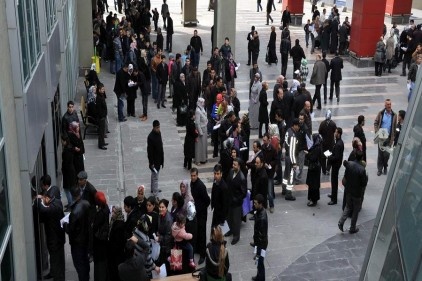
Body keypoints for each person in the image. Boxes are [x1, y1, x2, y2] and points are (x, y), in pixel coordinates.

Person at [34, 188, 66, 281]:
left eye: (45, 199)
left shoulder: (53, 208)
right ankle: (56, 274)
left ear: (48, 198)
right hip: (58, 239)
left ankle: (58, 278)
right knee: (57, 260)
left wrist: (38, 200)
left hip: (55, 241)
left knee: (56, 262)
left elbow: (42, 209)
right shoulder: (57, 202)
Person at [64, 186, 91, 281]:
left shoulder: (74, 212)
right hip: (85, 239)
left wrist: (65, 225)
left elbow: (71, 230)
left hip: (77, 242)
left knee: (79, 265)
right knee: (85, 262)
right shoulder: (86, 204)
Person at [338, 152, 368, 234]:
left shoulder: (349, 165)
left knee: (348, 206)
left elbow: (346, 176)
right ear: (361, 158)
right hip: (357, 193)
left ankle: (341, 222)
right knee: (355, 210)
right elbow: (364, 183)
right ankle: (352, 227)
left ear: (355, 156)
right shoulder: (362, 170)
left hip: (348, 190)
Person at [190, 168, 210, 265]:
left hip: (201, 213)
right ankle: (198, 249)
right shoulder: (192, 183)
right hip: (196, 212)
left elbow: (207, 200)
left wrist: (201, 208)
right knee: (197, 231)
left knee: (202, 233)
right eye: (192, 176)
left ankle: (203, 255)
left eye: (194, 176)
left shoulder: (201, 186)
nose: (193, 177)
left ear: (197, 175)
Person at [224, 158, 247, 245]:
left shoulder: (242, 178)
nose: (233, 166)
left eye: (235, 165)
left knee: (236, 220)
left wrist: (237, 199)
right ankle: (229, 230)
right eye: (233, 164)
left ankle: (236, 236)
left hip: (236, 202)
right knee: (228, 217)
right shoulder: (230, 172)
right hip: (230, 199)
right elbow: (227, 181)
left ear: (239, 166)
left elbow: (243, 193)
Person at [374, 99, 397, 176]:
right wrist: (377, 132)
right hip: (381, 137)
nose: (389, 106)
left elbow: (394, 127)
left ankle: (385, 166)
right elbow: (376, 122)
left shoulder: (394, 115)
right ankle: (379, 169)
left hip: (389, 138)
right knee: (380, 154)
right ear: (385, 105)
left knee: (387, 155)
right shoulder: (381, 113)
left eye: (390, 104)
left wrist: (393, 138)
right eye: (388, 104)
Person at [92, 192, 110, 281]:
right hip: (104, 241)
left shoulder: (100, 214)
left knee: (99, 265)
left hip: (99, 242)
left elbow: (94, 227)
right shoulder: (106, 208)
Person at [251, 194, 268, 281]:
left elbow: (262, 235)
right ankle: (258, 277)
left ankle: (261, 278)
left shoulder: (262, 218)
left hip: (261, 244)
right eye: (254, 203)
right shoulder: (259, 211)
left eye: (256, 203)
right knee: (258, 262)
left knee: (260, 262)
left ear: (261, 204)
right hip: (258, 242)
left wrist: (258, 250)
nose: (254, 205)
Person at [282, 118, 300, 201]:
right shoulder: (293, 135)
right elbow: (292, 151)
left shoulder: (288, 130)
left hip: (286, 156)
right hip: (290, 157)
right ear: (295, 125)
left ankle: (284, 189)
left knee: (286, 173)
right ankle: (288, 193)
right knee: (291, 175)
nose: (298, 128)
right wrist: (294, 163)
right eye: (298, 126)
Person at [108, 206, 126, 281]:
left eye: (114, 212)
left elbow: (117, 242)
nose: (112, 214)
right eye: (112, 212)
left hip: (117, 253)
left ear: (118, 213)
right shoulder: (114, 220)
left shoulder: (119, 225)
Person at [327, 128, 344, 205]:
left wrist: (329, 157)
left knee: (334, 181)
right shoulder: (338, 142)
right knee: (333, 180)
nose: (334, 133)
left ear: (339, 134)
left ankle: (334, 199)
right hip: (336, 164)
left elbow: (336, 157)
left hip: (336, 165)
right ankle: (333, 195)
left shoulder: (338, 144)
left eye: (336, 132)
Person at [306, 133, 323, 207]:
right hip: (316, 168)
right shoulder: (317, 146)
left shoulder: (316, 148)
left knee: (313, 184)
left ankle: (313, 200)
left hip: (314, 168)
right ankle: (313, 198)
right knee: (314, 184)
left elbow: (313, 158)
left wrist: (307, 154)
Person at [148, 120, 164, 196]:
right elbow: (150, 152)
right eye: (157, 127)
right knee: (155, 177)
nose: (158, 129)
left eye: (159, 127)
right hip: (154, 160)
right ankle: (155, 193)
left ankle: (153, 188)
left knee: (154, 175)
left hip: (159, 158)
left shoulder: (159, 133)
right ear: (153, 127)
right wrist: (151, 163)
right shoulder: (150, 137)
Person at [319, 110, 337, 175]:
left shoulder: (322, 123)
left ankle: (324, 170)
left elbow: (320, 132)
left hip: (324, 144)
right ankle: (327, 169)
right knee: (329, 157)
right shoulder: (333, 124)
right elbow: (335, 132)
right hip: (330, 144)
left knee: (323, 158)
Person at [157, 198, 173, 265]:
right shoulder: (161, 215)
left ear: (166, 208)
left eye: (162, 207)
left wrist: (159, 238)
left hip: (166, 248)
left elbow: (168, 236)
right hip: (162, 245)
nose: (161, 209)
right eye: (160, 207)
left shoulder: (168, 220)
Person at [194, 98, 207, 165]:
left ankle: (203, 158)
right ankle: (198, 160)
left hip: (204, 129)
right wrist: (200, 132)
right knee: (199, 146)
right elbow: (197, 123)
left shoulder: (202, 109)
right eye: (203, 102)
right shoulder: (197, 111)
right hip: (201, 131)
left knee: (203, 146)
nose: (204, 104)